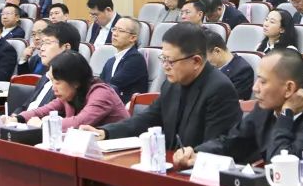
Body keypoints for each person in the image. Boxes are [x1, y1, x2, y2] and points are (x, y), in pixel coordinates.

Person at [174, 49, 303, 177]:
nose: (255, 88)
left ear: (289, 88)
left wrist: (286, 114)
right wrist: (196, 153)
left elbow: (281, 164)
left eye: (263, 82)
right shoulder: (265, 107)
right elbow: (233, 142)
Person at [81, 23, 241, 148]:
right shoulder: (171, 84)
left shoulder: (220, 89)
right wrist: (105, 132)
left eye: (170, 61)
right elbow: (148, 118)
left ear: (196, 61)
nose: (165, 67)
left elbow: (218, 144)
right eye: (163, 59)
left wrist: (191, 156)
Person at [11, 52, 129, 130]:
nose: (53, 88)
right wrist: (17, 118)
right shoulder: (69, 94)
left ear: (75, 82)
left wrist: (43, 124)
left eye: (57, 82)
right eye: (52, 81)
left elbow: (80, 122)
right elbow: (43, 110)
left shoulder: (101, 93)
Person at [10, 22, 81, 116]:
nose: (41, 48)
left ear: (66, 48)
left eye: (47, 43)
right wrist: (15, 116)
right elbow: (25, 106)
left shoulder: (72, 83)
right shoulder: (46, 77)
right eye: (42, 43)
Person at [100, 17, 148, 103]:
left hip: (126, 108)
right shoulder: (110, 61)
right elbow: (100, 84)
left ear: (132, 38)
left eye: (121, 31)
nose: (115, 34)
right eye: (114, 29)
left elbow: (113, 84)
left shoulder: (136, 59)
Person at [204, 30, 254, 100]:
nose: (201, 62)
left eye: (204, 57)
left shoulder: (242, 71)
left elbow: (227, 101)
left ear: (217, 51)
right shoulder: (206, 68)